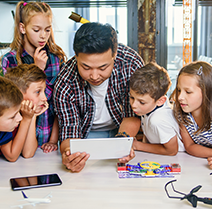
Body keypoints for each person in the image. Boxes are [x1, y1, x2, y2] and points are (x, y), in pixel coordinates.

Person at [53, 22, 144, 172]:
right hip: (85, 135)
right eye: (86, 67)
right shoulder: (65, 81)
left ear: (114, 54)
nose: (94, 76)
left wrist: (121, 144)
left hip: (122, 130)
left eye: (103, 68)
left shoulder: (131, 64)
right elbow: (69, 129)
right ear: (76, 56)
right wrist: (70, 155)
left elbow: (132, 115)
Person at [1, 1, 66, 152]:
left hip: (49, 134)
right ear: (23, 28)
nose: (43, 36)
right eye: (36, 30)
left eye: (48, 30)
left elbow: (60, 102)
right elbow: (13, 102)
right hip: (20, 137)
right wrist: (38, 69)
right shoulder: (10, 60)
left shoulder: (57, 59)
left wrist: (53, 140)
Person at [173, 61, 212, 158]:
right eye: (179, 90)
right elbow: (189, 146)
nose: (180, 97)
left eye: (188, 92)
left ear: (207, 92)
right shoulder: (181, 112)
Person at [129, 62, 184, 155]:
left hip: (179, 158)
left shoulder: (158, 120)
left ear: (161, 101)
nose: (134, 105)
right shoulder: (148, 107)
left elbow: (172, 150)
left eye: (141, 102)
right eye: (131, 97)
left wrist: (137, 145)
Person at [4, 64, 49, 157]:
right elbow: (12, 156)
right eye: (38, 92)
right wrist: (27, 119)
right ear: (19, 94)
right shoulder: (5, 117)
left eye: (44, 91)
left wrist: (32, 116)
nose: (44, 98)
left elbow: (28, 153)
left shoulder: (24, 114)